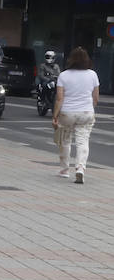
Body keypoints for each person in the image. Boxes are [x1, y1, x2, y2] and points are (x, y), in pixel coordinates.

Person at [52, 46, 99, 183]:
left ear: (71, 60)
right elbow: (95, 97)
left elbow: (60, 98)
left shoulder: (64, 75)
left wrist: (55, 116)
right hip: (86, 112)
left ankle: (64, 170)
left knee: (65, 140)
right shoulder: (92, 74)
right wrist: (90, 107)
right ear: (86, 60)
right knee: (83, 141)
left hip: (67, 113)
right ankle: (80, 168)